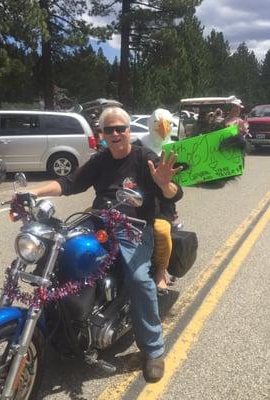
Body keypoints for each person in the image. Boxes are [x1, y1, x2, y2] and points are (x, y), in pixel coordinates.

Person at [31, 107, 183, 383]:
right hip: (98, 220)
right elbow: (70, 182)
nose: (115, 134)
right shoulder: (100, 160)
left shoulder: (143, 158)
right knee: (59, 252)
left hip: (133, 227)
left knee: (139, 279)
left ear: (129, 130)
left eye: (120, 128)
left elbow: (175, 193)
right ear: (102, 134)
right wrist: (33, 192)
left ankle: (153, 350)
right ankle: (61, 323)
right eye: (109, 130)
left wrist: (164, 184)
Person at [140, 108, 182, 293]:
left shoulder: (177, 148)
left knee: (162, 232)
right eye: (158, 124)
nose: (163, 129)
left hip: (163, 202)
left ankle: (160, 272)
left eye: (168, 125)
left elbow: (182, 180)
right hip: (138, 197)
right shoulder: (138, 144)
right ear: (151, 124)